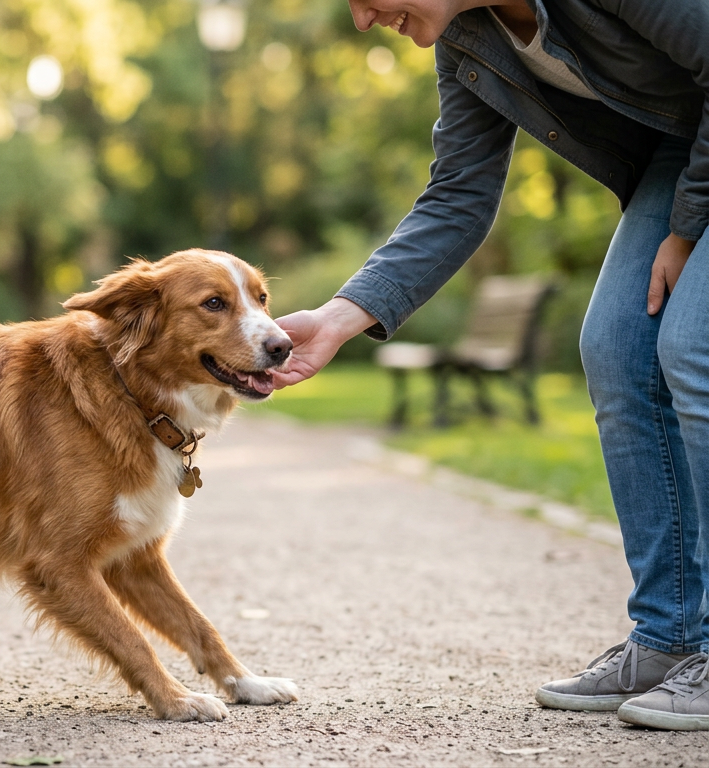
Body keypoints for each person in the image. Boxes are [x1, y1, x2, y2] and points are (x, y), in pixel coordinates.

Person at [272, 0, 709, 730]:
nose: (359, 19)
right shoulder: (470, 40)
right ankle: (673, 636)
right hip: (688, 145)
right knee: (615, 350)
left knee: (692, 349)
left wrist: (690, 224)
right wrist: (338, 320)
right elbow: (457, 198)